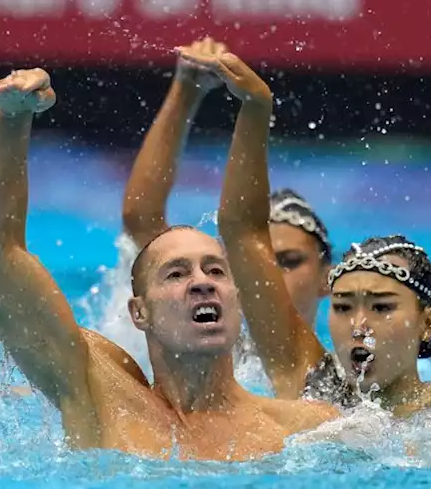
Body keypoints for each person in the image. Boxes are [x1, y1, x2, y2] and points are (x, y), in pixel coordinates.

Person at [0, 66, 338, 461]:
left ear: (237, 299)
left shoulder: (308, 428)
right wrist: (12, 118)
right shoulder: (100, 395)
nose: (201, 283)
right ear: (139, 312)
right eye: (176, 273)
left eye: (215, 270)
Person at [192, 50, 431, 416]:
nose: (359, 325)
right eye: (342, 307)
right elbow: (242, 232)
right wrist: (256, 109)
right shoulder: (314, 385)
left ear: (427, 323)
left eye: (382, 307)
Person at [121, 38, 333, 329]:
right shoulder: (194, 344)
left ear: (327, 278)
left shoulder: (344, 367)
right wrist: (184, 91)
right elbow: (141, 221)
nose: (265, 274)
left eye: (288, 262)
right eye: (242, 263)